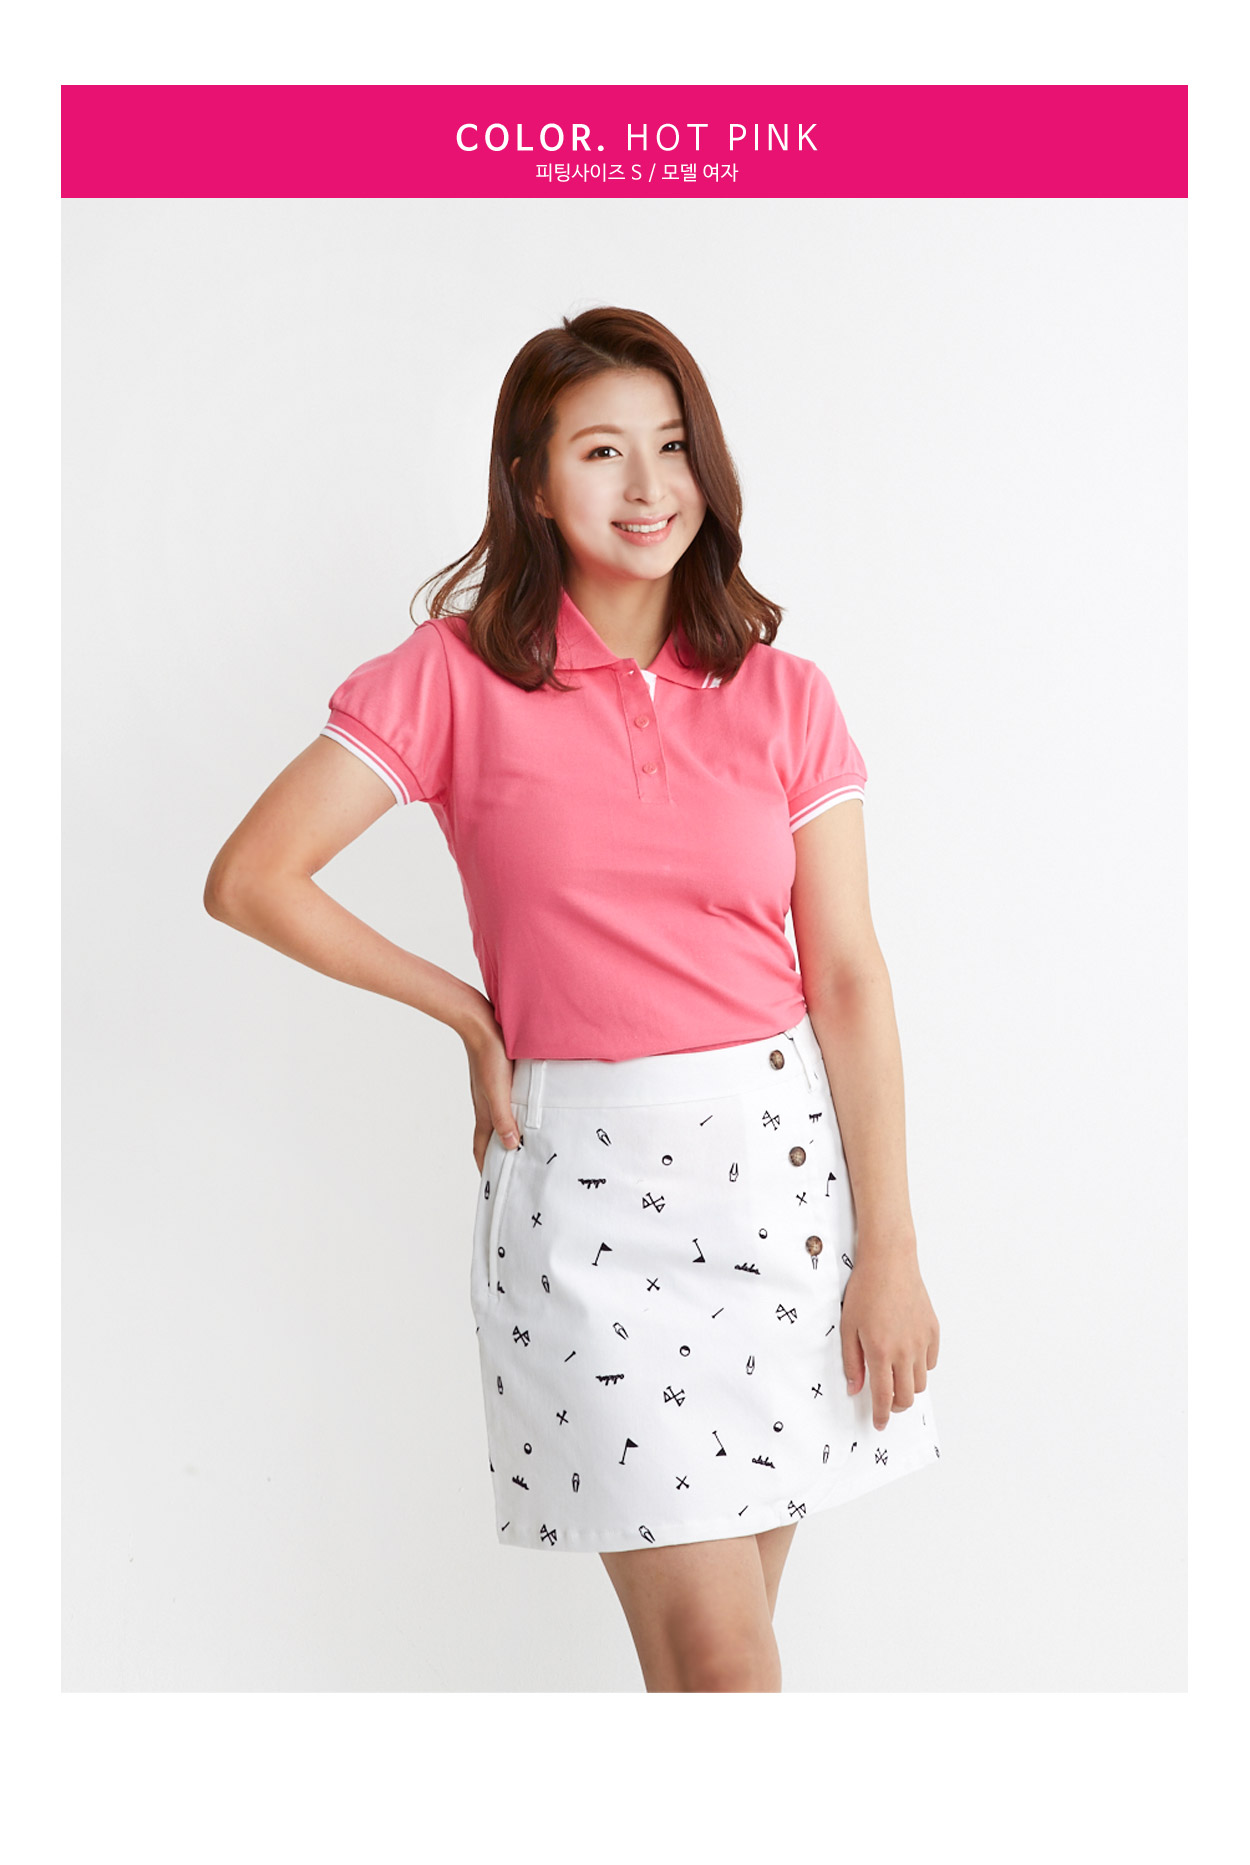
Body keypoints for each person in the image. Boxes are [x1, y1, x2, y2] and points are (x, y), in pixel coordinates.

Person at [204, 305, 942, 1693]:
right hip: (590, 1206)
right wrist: (466, 1011)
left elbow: (846, 976)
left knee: (725, 1668)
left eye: (672, 445)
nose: (648, 485)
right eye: (601, 451)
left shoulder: (785, 695)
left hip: (780, 1190)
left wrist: (890, 1251)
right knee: (720, 1663)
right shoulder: (452, 676)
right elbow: (252, 878)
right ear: (531, 483)